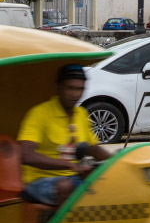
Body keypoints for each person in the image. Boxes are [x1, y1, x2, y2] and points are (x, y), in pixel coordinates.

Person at [18, 65, 112, 210]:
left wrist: (118, 162)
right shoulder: (39, 113)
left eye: (80, 89)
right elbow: (26, 155)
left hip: (73, 178)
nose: (75, 94)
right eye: (70, 88)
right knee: (66, 186)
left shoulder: (81, 114)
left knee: (111, 184)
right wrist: (71, 166)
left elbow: (93, 148)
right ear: (58, 87)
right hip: (39, 181)